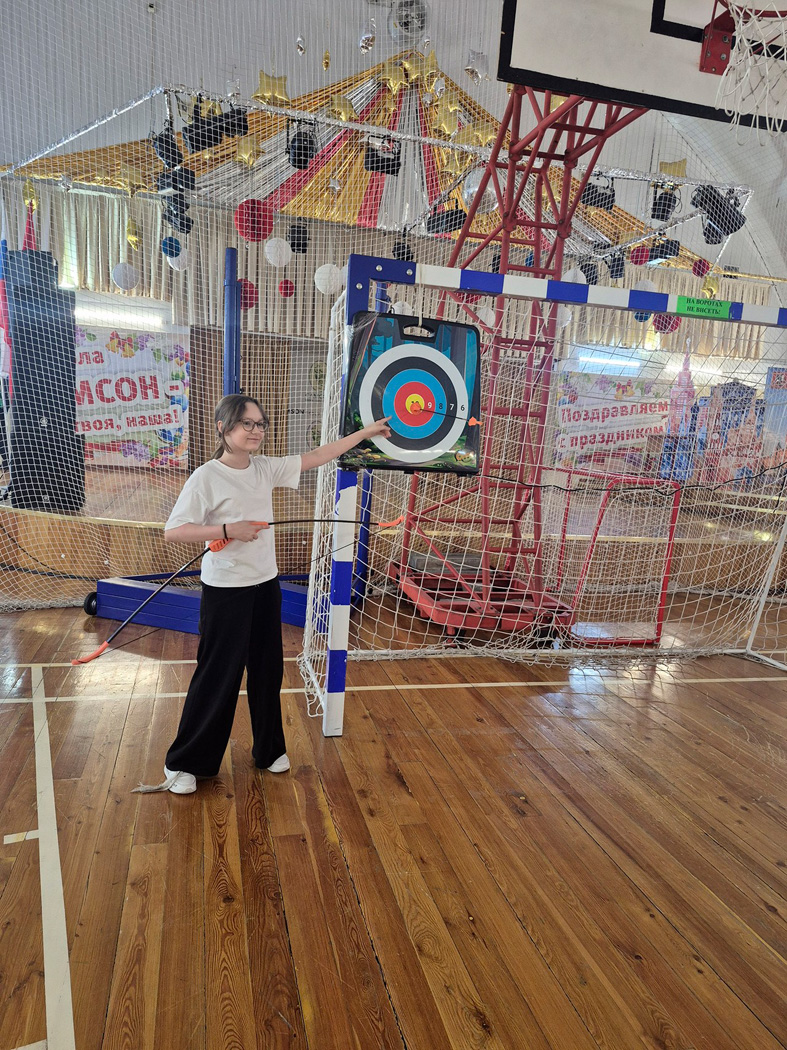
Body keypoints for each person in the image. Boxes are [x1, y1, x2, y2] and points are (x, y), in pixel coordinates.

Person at [136, 393, 390, 795]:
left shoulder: (265, 468)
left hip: (265, 586)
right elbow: (174, 531)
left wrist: (365, 433)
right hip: (225, 591)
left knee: (267, 671)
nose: (255, 431)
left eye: (259, 423)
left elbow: (318, 455)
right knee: (218, 675)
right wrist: (227, 530)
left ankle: (269, 750)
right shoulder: (206, 477)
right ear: (223, 428)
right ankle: (184, 763)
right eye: (246, 423)